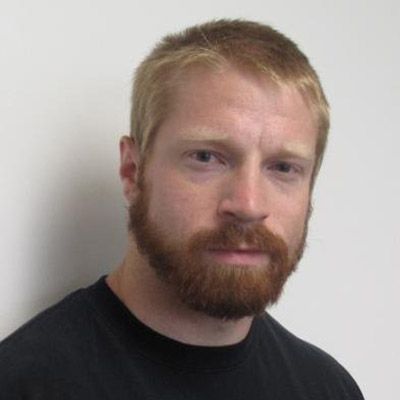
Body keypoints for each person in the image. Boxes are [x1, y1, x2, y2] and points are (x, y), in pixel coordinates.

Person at [0, 19, 364, 399]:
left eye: (284, 168)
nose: (248, 205)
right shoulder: (23, 384)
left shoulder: (328, 388)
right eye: (207, 157)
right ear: (132, 171)